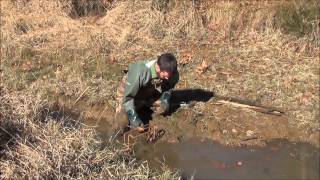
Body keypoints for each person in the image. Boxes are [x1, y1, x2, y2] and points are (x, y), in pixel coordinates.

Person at [113, 53, 179, 134]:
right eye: (164, 76)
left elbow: (168, 88)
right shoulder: (140, 73)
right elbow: (127, 99)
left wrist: (165, 100)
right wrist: (135, 121)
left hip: (146, 93)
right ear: (158, 68)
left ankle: (150, 116)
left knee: (163, 106)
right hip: (127, 95)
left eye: (169, 76)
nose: (167, 78)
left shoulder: (172, 74)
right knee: (122, 124)